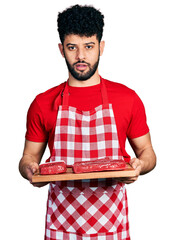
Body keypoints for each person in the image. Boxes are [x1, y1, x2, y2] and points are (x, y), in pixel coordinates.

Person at [19, 4, 156, 240]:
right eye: (72, 47)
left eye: (89, 47)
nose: (81, 56)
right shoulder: (42, 103)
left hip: (111, 227)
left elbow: (148, 152)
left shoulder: (127, 98)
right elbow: (28, 158)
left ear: (101, 47)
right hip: (61, 227)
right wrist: (29, 170)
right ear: (62, 49)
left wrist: (140, 166)